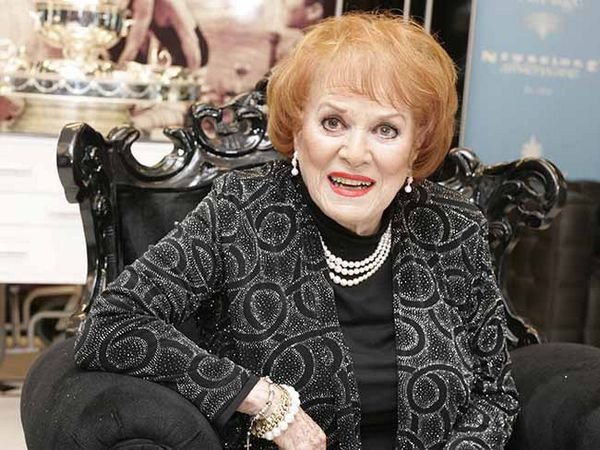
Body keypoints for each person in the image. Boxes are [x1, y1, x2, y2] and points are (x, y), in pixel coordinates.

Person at [74, 12, 519, 449]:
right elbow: (111, 323)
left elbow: (495, 393)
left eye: (386, 129)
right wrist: (264, 400)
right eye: (333, 123)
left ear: (417, 143)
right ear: (298, 125)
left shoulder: (452, 226)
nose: (355, 153)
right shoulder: (242, 210)